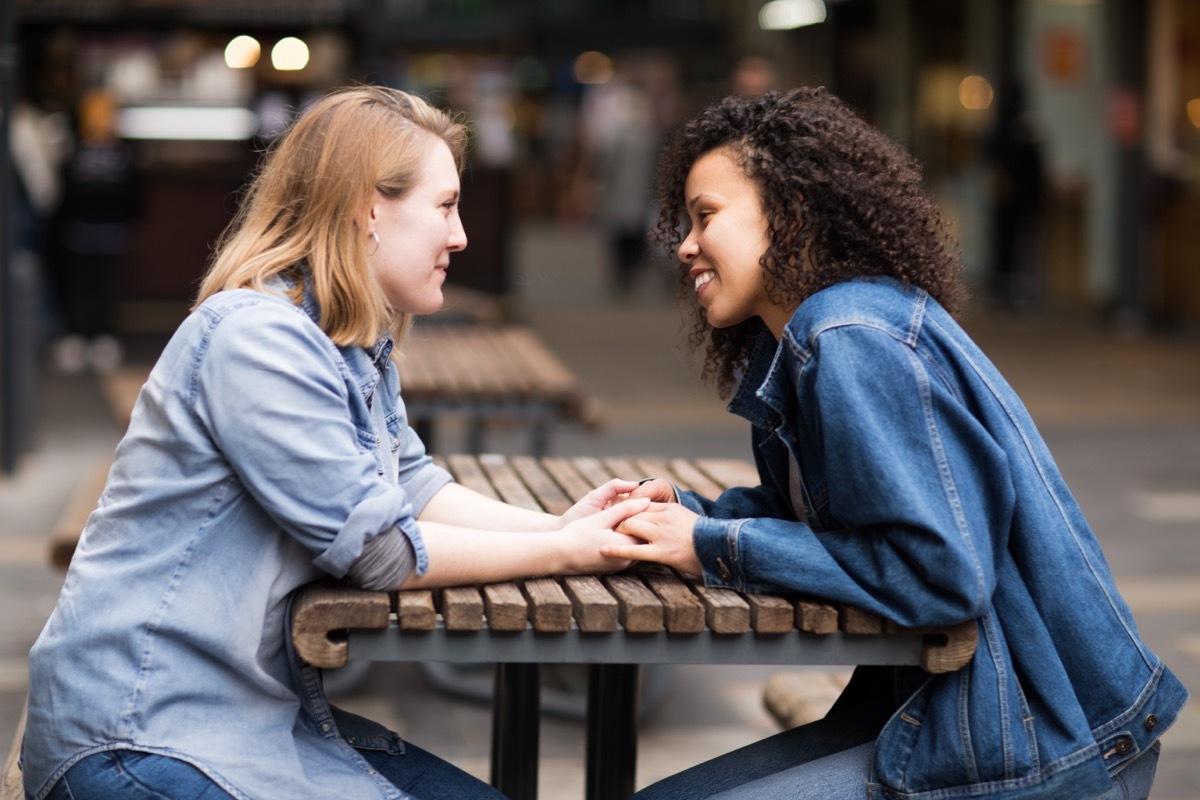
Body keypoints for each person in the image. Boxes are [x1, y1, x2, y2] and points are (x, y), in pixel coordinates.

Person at [21, 85, 649, 800]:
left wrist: (563, 525)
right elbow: (380, 551)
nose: (460, 235)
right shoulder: (257, 340)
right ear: (366, 207)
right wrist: (566, 552)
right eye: (444, 206)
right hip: (139, 735)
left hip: (243, 720)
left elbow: (411, 486)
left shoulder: (345, 338)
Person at [600, 87, 1187, 800]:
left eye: (706, 216)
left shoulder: (848, 337)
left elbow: (942, 573)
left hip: (1045, 747)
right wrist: (693, 517)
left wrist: (710, 546)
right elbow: (843, 516)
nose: (684, 244)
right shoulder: (821, 332)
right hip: (955, 716)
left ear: (789, 214)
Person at [47, 88, 140, 374]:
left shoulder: (125, 152)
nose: (101, 119)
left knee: (106, 286)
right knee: (78, 286)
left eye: (106, 113)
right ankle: (76, 336)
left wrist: (134, 222)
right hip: (78, 231)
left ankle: (103, 337)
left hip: (112, 231)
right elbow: (63, 191)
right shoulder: (73, 150)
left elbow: (135, 192)